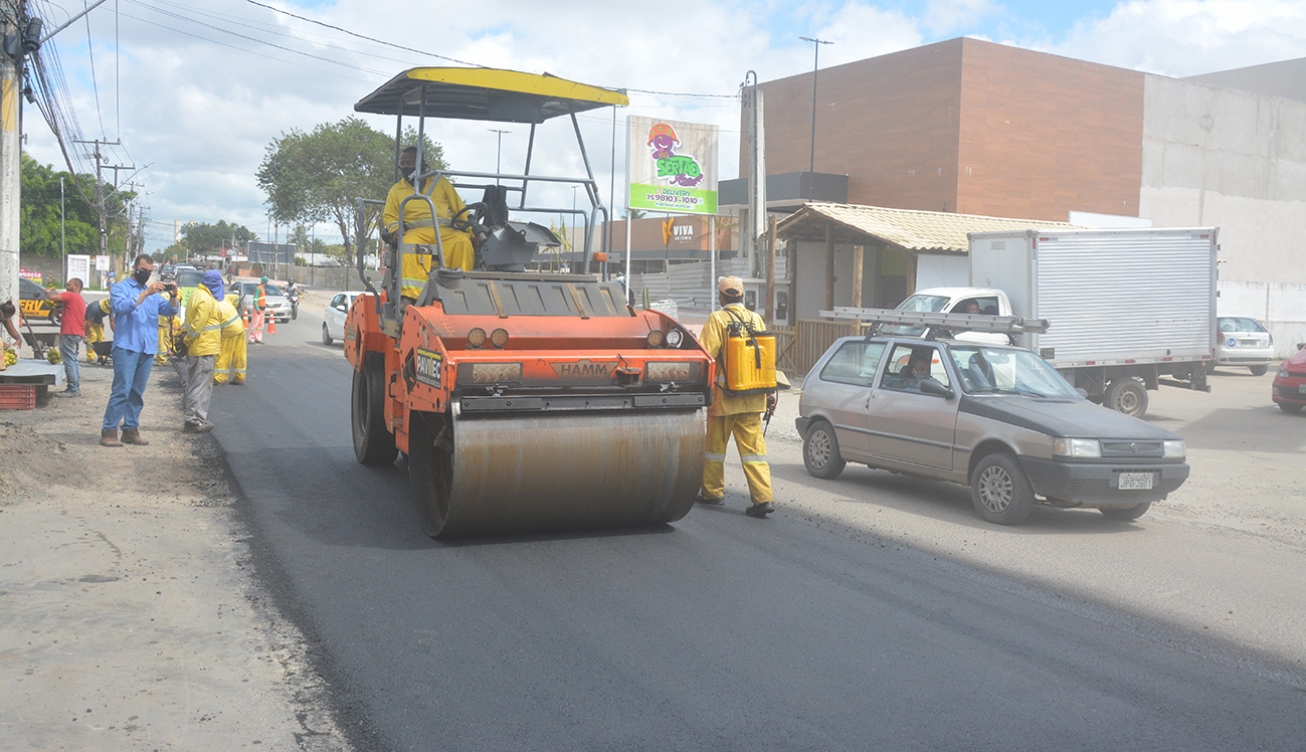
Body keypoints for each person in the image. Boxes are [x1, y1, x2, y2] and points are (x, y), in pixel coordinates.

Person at [697, 276, 777, 518]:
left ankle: (712, 493)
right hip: (753, 397)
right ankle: (763, 498)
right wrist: (770, 393)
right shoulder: (756, 319)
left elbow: (706, 356)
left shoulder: (717, 319)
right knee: (755, 452)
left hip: (724, 398)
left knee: (714, 449)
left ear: (721, 297)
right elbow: (766, 358)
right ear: (742, 296)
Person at [100, 254, 179, 447]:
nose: (146, 274)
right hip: (127, 346)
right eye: (143, 270)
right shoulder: (120, 288)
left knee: (137, 392)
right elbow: (122, 307)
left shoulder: (153, 294)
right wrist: (145, 294)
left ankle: (130, 429)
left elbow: (170, 310)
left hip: (147, 348)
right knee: (122, 390)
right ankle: (109, 430)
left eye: (149, 271)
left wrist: (173, 296)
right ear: (135, 268)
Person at [382, 146, 475, 301]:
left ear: (420, 164)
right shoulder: (396, 190)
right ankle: (409, 297)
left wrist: (473, 232)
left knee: (463, 242)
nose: (404, 167)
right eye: (402, 164)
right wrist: (396, 229)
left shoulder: (440, 183)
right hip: (416, 232)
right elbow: (389, 215)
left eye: (408, 163)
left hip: (444, 231)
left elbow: (460, 209)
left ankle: (460, 294)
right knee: (408, 245)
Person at [180, 270, 223, 433]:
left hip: (197, 349)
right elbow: (197, 326)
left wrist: (186, 341)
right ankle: (193, 420)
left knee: (196, 384)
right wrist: (187, 340)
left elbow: (188, 323)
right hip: (203, 349)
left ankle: (197, 419)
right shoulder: (206, 300)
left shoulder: (196, 295)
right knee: (200, 386)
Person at [47, 278, 88, 396]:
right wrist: (58, 316)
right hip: (76, 332)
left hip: (69, 332)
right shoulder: (79, 300)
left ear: (76, 286)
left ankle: (73, 388)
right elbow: (70, 318)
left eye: (69, 285)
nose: (67, 287)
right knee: (73, 360)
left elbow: (52, 297)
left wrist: (48, 292)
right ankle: (75, 386)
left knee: (69, 360)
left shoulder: (71, 295)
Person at [213, 290, 247, 385]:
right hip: (240, 325)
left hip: (229, 329)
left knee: (224, 353)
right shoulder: (224, 297)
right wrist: (233, 309)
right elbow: (237, 298)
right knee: (239, 353)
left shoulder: (211, 304)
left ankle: (220, 378)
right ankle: (239, 377)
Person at [84, 296, 113, 363]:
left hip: (98, 322)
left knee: (101, 338)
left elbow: (112, 321)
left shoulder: (111, 307)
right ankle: (90, 357)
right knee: (92, 338)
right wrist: (86, 334)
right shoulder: (94, 308)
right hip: (88, 322)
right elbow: (89, 322)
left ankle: (101, 356)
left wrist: (116, 332)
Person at [1, 300, 21, 371]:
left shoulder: (5, 316)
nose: (6, 319)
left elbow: (12, 330)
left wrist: (18, 339)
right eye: (5, 317)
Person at [247, 276, 268, 344]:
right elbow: (255, 300)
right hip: (258, 309)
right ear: (266, 282)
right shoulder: (259, 289)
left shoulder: (262, 289)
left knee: (260, 325)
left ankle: (257, 338)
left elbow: (261, 299)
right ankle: (251, 338)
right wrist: (257, 308)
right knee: (254, 324)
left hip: (262, 309)